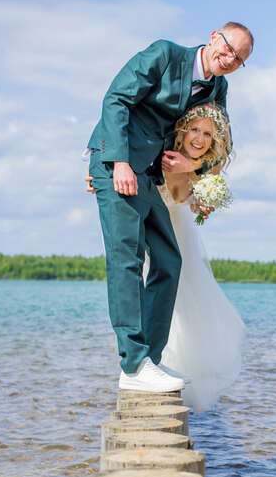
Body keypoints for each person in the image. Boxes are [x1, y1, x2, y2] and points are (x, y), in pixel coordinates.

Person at [87, 24, 253, 394]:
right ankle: (132, 364)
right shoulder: (164, 54)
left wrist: (193, 169)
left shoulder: (217, 87)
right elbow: (116, 99)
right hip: (120, 165)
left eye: (239, 60)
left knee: (168, 260)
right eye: (228, 49)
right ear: (214, 37)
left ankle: (151, 361)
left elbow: (221, 143)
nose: (229, 60)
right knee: (127, 259)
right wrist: (118, 162)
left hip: (151, 174)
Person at [153, 101, 246, 411]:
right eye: (194, 129)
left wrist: (204, 202)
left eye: (207, 133)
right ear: (183, 129)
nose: (200, 138)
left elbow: (197, 202)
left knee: (187, 302)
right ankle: (152, 363)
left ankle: (174, 367)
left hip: (182, 233)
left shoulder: (209, 165)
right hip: (154, 226)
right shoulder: (164, 153)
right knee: (155, 292)